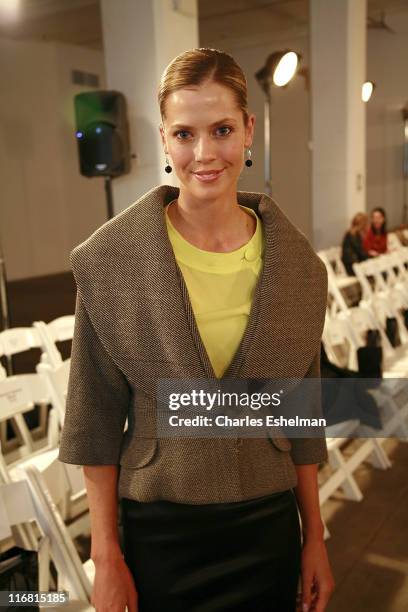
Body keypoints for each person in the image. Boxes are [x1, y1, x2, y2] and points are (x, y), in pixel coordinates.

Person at [58, 48, 334, 612]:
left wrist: (317, 539)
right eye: (184, 133)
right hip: (159, 533)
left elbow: (301, 415)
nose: (204, 153)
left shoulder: (299, 268)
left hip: (267, 525)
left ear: (248, 130)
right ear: (163, 138)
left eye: (223, 129)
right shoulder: (112, 260)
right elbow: (96, 419)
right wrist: (106, 558)